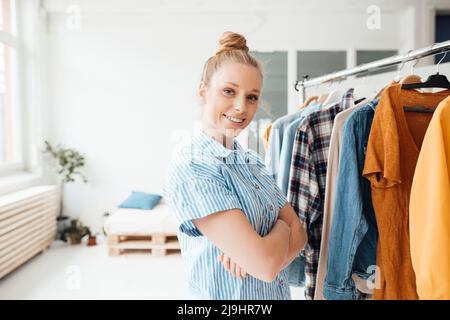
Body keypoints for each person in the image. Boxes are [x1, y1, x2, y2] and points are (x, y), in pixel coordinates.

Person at [163, 31, 307, 300]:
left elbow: (301, 233)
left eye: (252, 97)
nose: (241, 107)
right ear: (203, 91)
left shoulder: (251, 161)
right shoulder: (193, 167)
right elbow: (266, 265)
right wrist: (282, 232)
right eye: (229, 91)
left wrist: (270, 245)